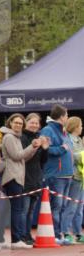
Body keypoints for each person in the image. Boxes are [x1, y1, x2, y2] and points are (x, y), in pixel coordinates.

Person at [0, 113, 43, 249]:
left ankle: (17, 239)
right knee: (18, 210)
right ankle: (16, 239)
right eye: (16, 122)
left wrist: (34, 147)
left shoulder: (16, 137)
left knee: (17, 210)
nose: (18, 125)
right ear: (10, 123)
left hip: (18, 176)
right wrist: (32, 146)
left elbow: (24, 158)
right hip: (12, 176)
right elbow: (17, 156)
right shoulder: (9, 137)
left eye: (20, 123)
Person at [41, 105, 74, 244]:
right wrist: (61, 148)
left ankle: (60, 235)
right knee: (56, 206)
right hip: (56, 175)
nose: (67, 118)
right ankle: (54, 235)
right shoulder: (48, 130)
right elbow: (46, 149)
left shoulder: (64, 131)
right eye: (66, 115)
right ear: (61, 116)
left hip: (67, 175)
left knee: (63, 207)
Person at [22, 113, 47, 244]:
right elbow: (25, 157)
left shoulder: (38, 137)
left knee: (30, 211)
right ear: (26, 123)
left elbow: (43, 161)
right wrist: (36, 146)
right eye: (32, 122)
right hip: (25, 177)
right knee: (24, 210)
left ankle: (27, 235)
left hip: (36, 177)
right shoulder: (23, 137)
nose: (34, 125)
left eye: (37, 123)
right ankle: (21, 236)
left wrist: (45, 149)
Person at [62, 117, 83, 243]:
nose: (82, 128)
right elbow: (71, 156)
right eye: (81, 125)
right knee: (71, 206)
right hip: (74, 176)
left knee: (79, 207)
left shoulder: (80, 139)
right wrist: (83, 154)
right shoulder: (67, 139)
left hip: (81, 177)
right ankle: (65, 232)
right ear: (75, 127)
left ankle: (78, 233)